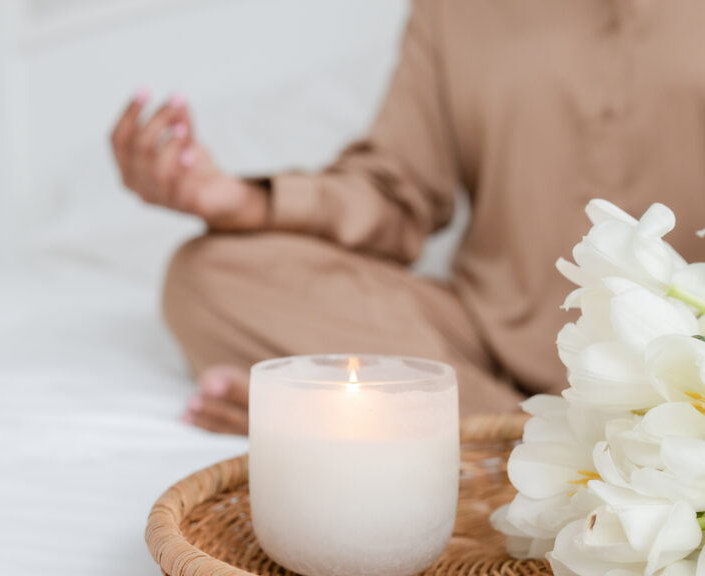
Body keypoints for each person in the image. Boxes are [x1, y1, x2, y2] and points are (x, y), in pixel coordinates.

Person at [110, 0, 705, 435]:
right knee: (209, 275)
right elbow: (396, 191)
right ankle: (529, 443)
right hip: (489, 346)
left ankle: (397, 424)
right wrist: (243, 201)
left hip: (689, 363)